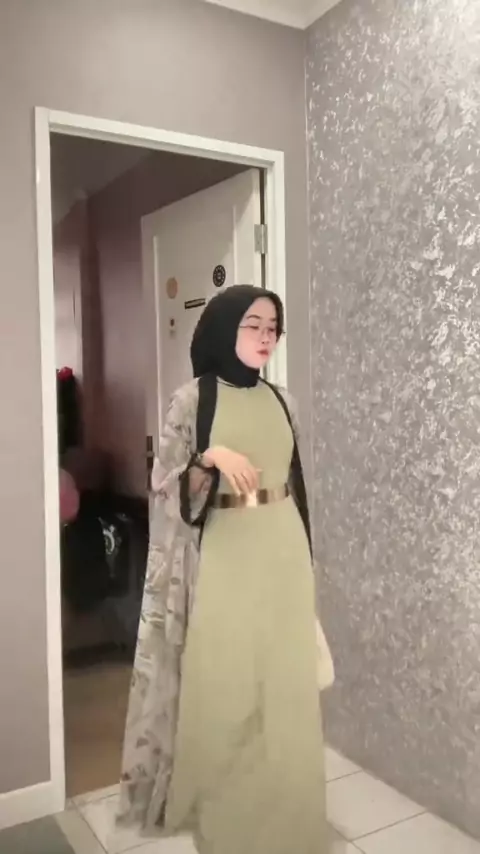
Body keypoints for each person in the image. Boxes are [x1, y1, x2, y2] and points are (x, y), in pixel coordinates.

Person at [117, 285, 332, 854]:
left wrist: (308, 562)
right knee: (227, 687)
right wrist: (207, 459)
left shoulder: (282, 400)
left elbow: (297, 485)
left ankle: (289, 817)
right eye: (252, 325)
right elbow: (163, 487)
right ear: (224, 327)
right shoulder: (193, 400)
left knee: (284, 689)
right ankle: (228, 821)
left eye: (272, 328)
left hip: (282, 552)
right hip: (225, 556)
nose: (265, 337)